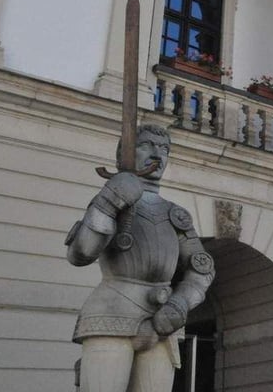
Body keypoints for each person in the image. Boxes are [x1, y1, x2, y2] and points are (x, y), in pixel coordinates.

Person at [66, 124, 214, 392]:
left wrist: (180, 304)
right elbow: (81, 252)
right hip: (113, 310)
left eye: (165, 149)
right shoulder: (112, 200)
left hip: (163, 320)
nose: (158, 155)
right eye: (147, 146)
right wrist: (110, 200)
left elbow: (201, 269)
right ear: (124, 154)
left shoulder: (175, 215)